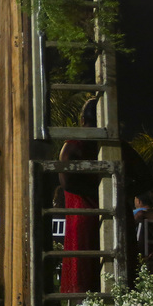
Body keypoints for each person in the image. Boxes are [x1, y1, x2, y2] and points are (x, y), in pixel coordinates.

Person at [59, 98, 100, 293]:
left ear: (82, 119)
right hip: (109, 212)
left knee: (80, 274)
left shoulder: (73, 145)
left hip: (80, 215)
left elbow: (66, 182)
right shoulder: (112, 144)